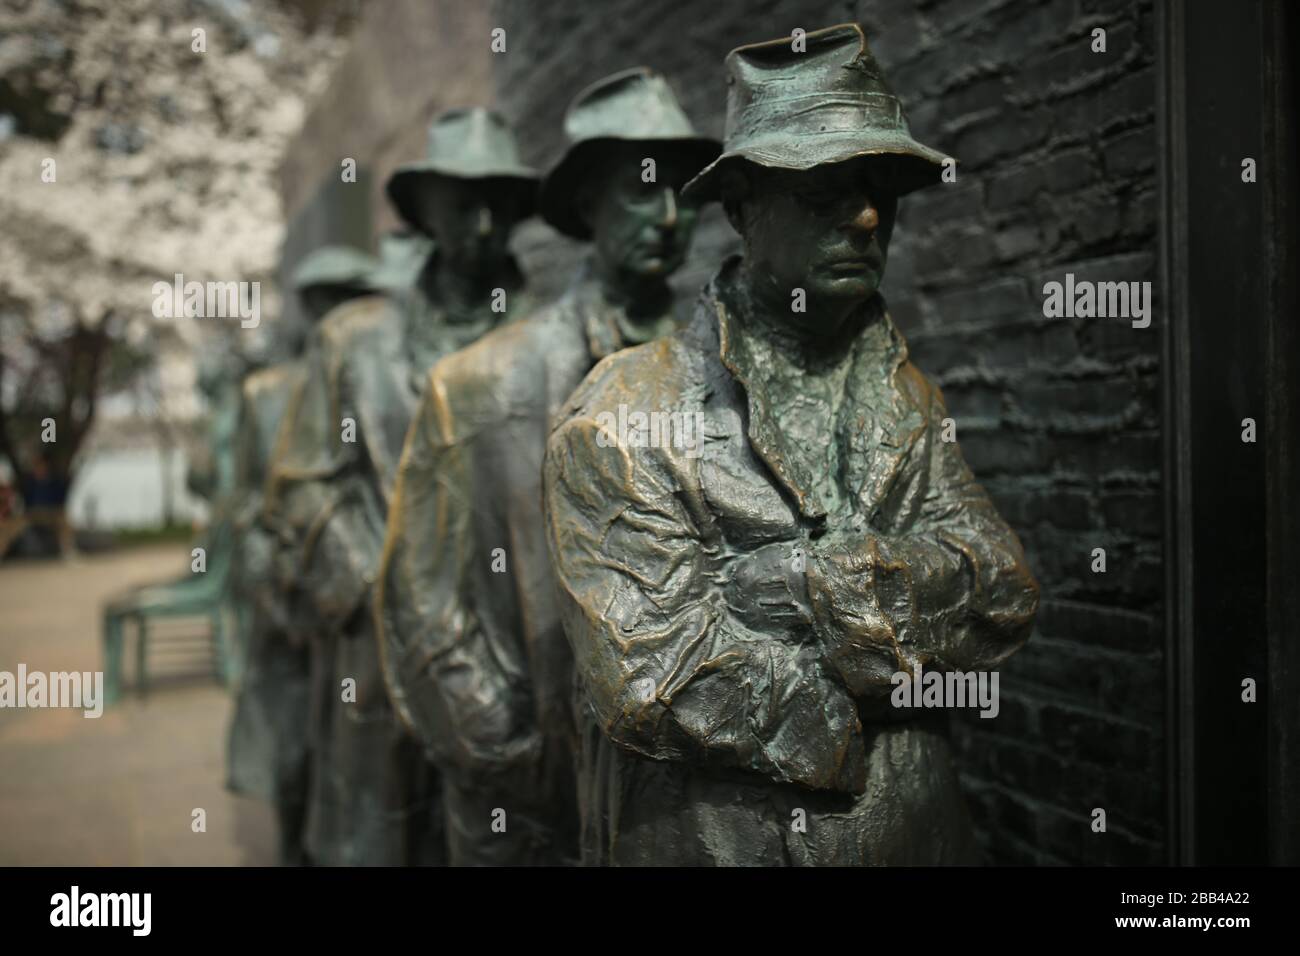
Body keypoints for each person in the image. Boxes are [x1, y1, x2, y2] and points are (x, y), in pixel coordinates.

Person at [542, 24, 1040, 865]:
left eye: (882, 188)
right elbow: (649, 674)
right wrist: (865, 705)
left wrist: (803, 586)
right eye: (824, 193)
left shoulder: (908, 396)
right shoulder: (625, 409)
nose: (869, 216)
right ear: (741, 208)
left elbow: (1003, 595)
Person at [376, 69, 718, 865]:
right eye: (640, 191)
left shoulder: (726, 369)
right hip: (529, 792)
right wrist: (500, 746)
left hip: (683, 798)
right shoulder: (482, 381)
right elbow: (420, 593)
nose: (668, 217)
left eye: (683, 192)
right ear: (587, 205)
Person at [266, 108, 540, 866]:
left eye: (499, 202)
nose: (482, 223)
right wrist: (386, 589)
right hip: (378, 658)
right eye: (461, 200)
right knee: (386, 835)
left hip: (511, 651)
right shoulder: (355, 342)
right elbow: (300, 488)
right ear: (425, 211)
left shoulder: (549, 339)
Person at [226, 245, 378, 865]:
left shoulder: (378, 383)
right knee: (292, 753)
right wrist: (275, 576)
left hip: (361, 612)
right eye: (329, 302)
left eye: (353, 300)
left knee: (355, 767)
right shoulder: (265, 394)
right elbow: (239, 505)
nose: (339, 317)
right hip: (292, 609)